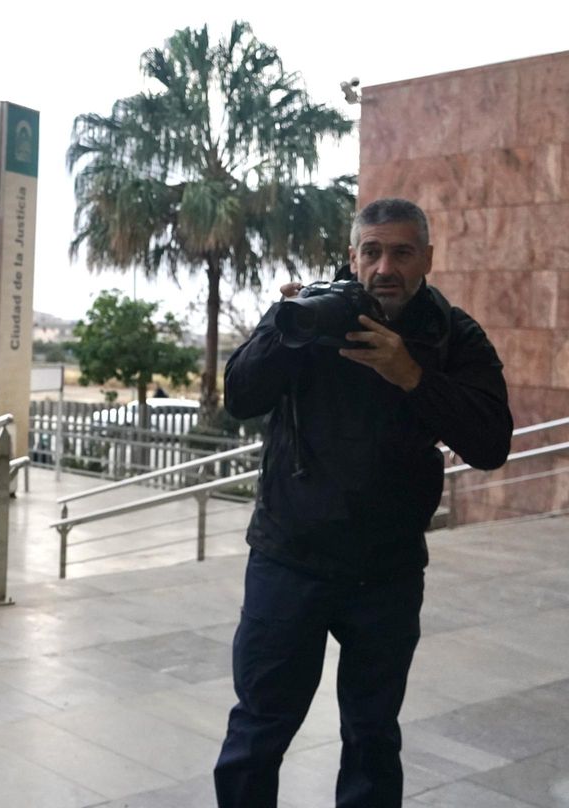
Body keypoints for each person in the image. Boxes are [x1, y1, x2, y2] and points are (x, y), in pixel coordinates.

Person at [213, 197, 513, 807]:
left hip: (388, 571)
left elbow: (491, 444)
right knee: (258, 731)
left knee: (373, 737)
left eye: (402, 252)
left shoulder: (449, 333)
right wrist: (284, 324)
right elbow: (239, 396)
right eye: (372, 252)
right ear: (353, 257)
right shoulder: (314, 315)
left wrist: (414, 377)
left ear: (427, 257)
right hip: (290, 558)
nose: (385, 267)